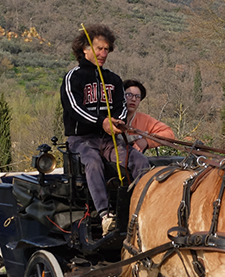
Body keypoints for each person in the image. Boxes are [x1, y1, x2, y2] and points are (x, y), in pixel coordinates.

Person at [60, 25, 150, 235]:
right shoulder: (73, 77)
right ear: (84, 49)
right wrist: (102, 122)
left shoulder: (114, 79)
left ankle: (141, 210)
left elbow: (120, 108)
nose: (103, 54)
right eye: (99, 48)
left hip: (109, 139)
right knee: (93, 162)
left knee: (140, 161)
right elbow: (74, 108)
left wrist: (116, 122)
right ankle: (105, 215)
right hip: (81, 140)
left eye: (106, 50)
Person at [122, 79, 175, 153]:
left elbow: (169, 134)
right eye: (129, 95)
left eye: (137, 96)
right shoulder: (110, 117)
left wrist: (146, 141)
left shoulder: (145, 120)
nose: (133, 99)